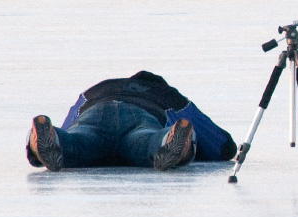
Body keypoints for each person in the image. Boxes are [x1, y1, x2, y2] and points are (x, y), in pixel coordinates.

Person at [26, 71, 236, 172]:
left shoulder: (96, 89)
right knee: (148, 141)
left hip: (96, 110)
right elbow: (223, 146)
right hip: (142, 115)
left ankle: (51, 139)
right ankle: (169, 141)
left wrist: (57, 137)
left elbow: (71, 122)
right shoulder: (167, 94)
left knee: (77, 140)